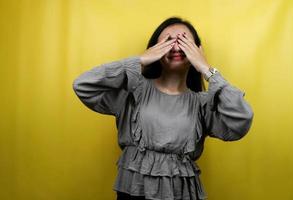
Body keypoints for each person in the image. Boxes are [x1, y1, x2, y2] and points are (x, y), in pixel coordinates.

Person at [72, 16, 254, 200]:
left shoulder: (202, 103)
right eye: (168, 41)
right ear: (155, 48)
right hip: (132, 191)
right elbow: (84, 85)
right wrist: (141, 59)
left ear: (197, 51)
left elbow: (241, 121)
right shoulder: (134, 90)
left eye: (184, 41)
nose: (175, 47)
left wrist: (207, 70)